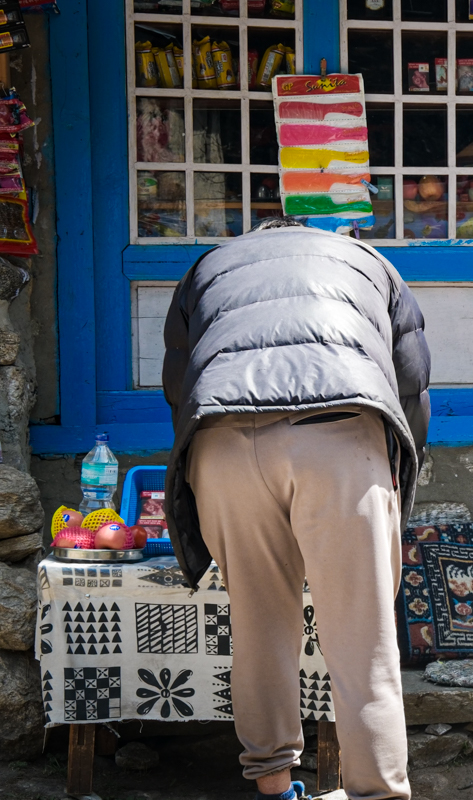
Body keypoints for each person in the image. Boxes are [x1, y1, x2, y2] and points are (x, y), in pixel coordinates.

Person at [162, 219, 431, 800]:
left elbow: (178, 383)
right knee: (364, 641)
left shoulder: (208, 267)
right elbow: (411, 380)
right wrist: (396, 474)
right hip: (339, 434)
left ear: (257, 236)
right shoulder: (370, 263)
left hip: (222, 440)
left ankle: (274, 785)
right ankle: (379, 793)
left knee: (259, 626)